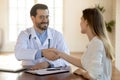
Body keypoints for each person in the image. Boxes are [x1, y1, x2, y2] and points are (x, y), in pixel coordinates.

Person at [44, 8, 115, 80]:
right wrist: (60, 54)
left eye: (81, 20)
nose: (80, 23)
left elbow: (93, 76)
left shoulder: (97, 43)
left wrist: (82, 73)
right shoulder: (96, 41)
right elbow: (83, 63)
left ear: (86, 22)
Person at [15, 3, 69, 70]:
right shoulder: (24, 34)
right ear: (33, 18)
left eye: (47, 17)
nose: (45, 20)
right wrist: (42, 53)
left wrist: (48, 63)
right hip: (29, 71)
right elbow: (18, 53)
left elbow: (66, 58)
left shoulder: (57, 35)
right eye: (41, 17)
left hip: (51, 74)